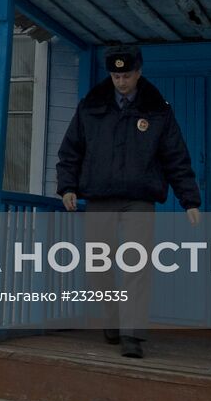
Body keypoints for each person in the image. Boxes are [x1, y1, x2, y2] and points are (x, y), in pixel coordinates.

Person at [55, 43, 202, 359]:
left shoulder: (158, 110)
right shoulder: (91, 106)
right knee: (99, 265)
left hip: (139, 199)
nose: (121, 81)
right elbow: (70, 151)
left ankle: (132, 334)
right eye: (115, 75)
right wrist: (67, 187)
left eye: (127, 75)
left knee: (136, 266)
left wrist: (189, 199)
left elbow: (175, 156)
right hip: (100, 198)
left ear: (139, 72)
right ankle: (110, 320)